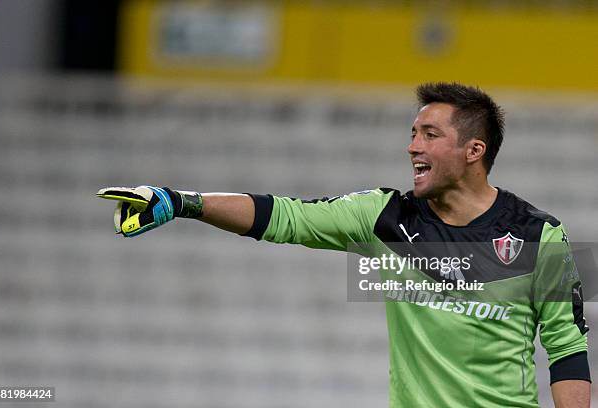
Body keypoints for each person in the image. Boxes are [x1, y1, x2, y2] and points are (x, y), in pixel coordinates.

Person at [97, 82, 590, 407]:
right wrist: (181, 201)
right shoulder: (383, 216)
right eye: (412, 133)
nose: (412, 146)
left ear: (473, 151)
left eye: (429, 134)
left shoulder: (537, 234)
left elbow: (567, 352)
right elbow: (284, 216)